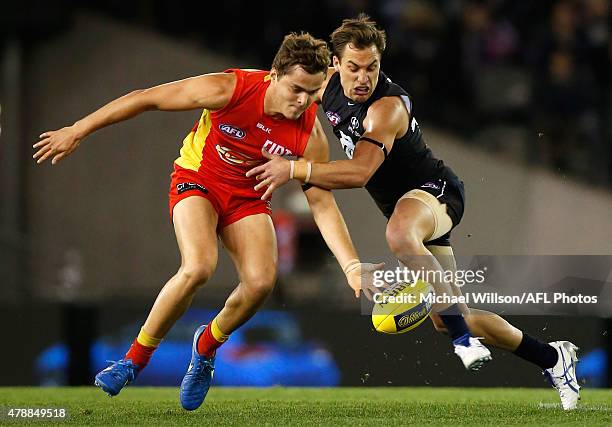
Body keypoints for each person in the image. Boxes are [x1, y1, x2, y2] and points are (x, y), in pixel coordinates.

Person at [247, 15, 580, 410]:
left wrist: (294, 168)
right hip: (407, 212)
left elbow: (359, 172)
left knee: (399, 235)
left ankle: (462, 340)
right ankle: (554, 358)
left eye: (372, 67)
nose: (363, 77)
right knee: (452, 313)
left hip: (435, 194)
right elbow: (287, 83)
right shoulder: (325, 88)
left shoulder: (386, 108)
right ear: (335, 66)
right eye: (353, 67)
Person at [33, 32, 381, 411]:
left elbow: (322, 204)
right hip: (198, 180)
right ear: (275, 73)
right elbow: (146, 98)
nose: (302, 102)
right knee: (199, 266)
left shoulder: (310, 133)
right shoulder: (229, 88)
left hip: (247, 198)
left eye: (312, 93)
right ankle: (133, 361)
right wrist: (78, 129)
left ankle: (205, 348)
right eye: (296, 89)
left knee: (262, 282)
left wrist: (351, 266)